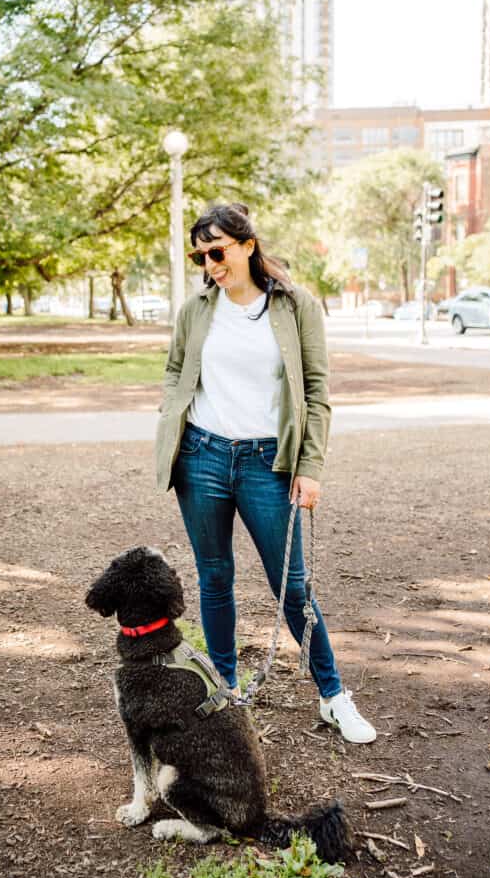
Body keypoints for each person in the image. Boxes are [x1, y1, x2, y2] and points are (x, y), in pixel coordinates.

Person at [155, 203, 376, 744]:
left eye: (217, 251)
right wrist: (172, 421)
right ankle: (225, 690)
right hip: (202, 458)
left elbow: (318, 392)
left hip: (266, 463)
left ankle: (333, 697)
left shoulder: (295, 306)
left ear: (247, 245)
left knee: (292, 586)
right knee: (215, 578)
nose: (209, 263)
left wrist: (311, 467)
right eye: (200, 254)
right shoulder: (196, 310)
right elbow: (175, 371)